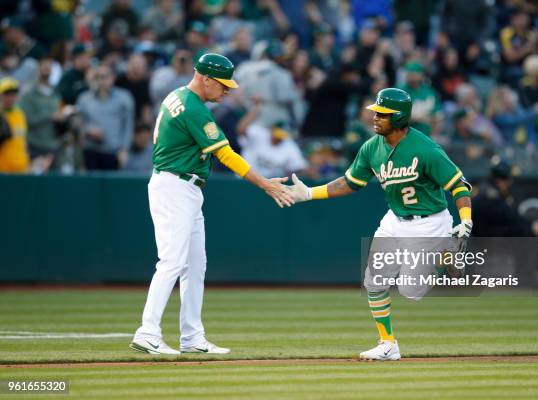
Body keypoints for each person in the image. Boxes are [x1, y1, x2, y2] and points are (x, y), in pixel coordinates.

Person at [287, 88, 473, 361]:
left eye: (382, 114)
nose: (375, 117)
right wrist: (310, 193)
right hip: (394, 220)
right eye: (375, 112)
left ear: (398, 117)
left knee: (411, 291)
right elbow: (350, 182)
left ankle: (447, 252)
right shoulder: (371, 147)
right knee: (374, 280)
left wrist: (466, 221)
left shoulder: (426, 149)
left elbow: (459, 186)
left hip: (430, 223)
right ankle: (388, 344)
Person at [130, 53, 294, 355]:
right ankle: (148, 330)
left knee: (196, 265)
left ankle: (191, 336)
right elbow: (226, 154)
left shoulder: (178, 96)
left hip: (185, 186)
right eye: (222, 85)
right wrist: (265, 183)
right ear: (205, 78)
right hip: (175, 185)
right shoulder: (194, 109)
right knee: (172, 262)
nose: (227, 91)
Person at [76, 65, 135, 170]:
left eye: (105, 76)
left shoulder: (124, 97)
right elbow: (77, 123)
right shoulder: (84, 98)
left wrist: (125, 149)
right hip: (90, 150)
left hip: (113, 152)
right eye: (98, 77)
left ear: (113, 77)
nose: (101, 80)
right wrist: (88, 130)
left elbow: (128, 125)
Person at [472, 157, 538, 237]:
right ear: (501, 181)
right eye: (509, 179)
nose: (510, 183)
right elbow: (509, 223)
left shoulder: (489, 191)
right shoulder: (489, 198)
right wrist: (530, 228)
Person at [18, 56, 63, 171]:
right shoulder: (28, 94)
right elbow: (25, 120)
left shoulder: (55, 94)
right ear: (38, 69)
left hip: (53, 145)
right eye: (44, 66)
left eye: (49, 66)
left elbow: (59, 116)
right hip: (35, 145)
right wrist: (49, 116)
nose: (47, 69)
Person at [0, 77, 28, 172]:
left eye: (13, 94)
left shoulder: (20, 114)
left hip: (21, 168)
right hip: (2, 169)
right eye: (7, 94)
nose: (10, 97)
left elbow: (23, 141)